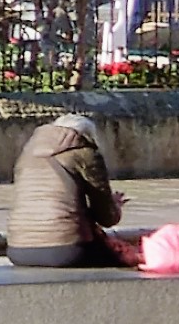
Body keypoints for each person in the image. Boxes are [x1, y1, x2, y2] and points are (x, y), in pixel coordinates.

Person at [10, 110, 127, 270]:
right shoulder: (85, 153)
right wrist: (115, 206)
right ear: (87, 136)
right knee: (126, 259)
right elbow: (106, 218)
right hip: (67, 250)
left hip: (18, 250)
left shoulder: (26, 157)